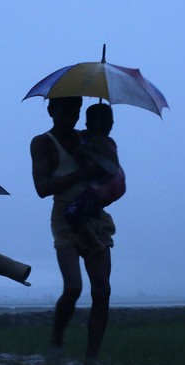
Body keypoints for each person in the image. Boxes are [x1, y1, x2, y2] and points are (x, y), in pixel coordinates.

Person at [30, 96, 116, 365]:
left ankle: (91, 361)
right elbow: (42, 188)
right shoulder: (42, 143)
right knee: (73, 288)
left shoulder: (87, 138)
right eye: (66, 110)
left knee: (102, 290)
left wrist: (99, 153)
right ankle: (55, 348)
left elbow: (110, 169)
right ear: (51, 111)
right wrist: (83, 171)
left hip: (94, 216)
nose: (72, 116)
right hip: (65, 218)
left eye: (77, 110)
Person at [65, 103, 125, 257]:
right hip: (113, 187)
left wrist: (85, 153)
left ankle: (94, 244)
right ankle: (86, 234)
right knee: (89, 211)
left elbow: (107, 166)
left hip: (101, 188)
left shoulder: (97, 142)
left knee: (72, 213)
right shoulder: (108, 142)